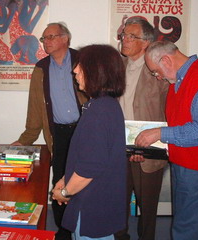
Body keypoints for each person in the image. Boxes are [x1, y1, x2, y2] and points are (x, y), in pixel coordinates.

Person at [135, 40, 198, 240]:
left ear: (166, 60)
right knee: (184, 221)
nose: (157, 77)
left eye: (155, 71)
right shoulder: (179, 79)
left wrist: (160, 133)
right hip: (184, 162)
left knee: (188, 228)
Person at [11, 22, 88, 240]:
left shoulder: (84, 61)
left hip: (85, 130)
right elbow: (35, 109)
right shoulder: (40, 69)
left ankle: (85, 227)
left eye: (51, 36)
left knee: (87, 179)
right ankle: (64, 231)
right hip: (60, 134)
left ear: (66, 38)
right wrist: (24, 139)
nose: (46, 41)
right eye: (44, 38)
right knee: (60, 183)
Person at [52, 44, 127, 240]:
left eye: (81, 66)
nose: (75, 70)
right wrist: (65, 179)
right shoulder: (103, 105)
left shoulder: (99, 112)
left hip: (93, 205)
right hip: (98, 199)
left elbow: (89, 168)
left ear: (97, 71)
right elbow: (88, 155)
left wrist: (65, 192)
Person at [115, 17, 169, 240]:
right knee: (118, 202)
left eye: (131, 36)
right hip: (118, 148)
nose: (124, 40)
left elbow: (169, 113)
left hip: (149, 150)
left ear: (146, 42)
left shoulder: (158, 71)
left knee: (147, 208)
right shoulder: (117, 67)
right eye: (124, 35)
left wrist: (145, 148)